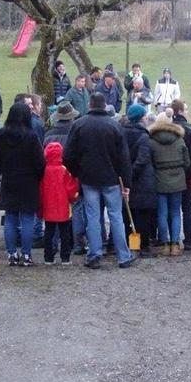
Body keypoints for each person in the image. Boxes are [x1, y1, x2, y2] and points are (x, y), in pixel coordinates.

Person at [63, 92, 136, 269]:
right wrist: (126, 183)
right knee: (115, 216)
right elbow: (124, 158)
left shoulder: (79, 125)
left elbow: (68, 155)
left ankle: (94, 254)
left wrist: (77, 172)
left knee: (93, 217)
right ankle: (123, 256)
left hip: (88, 178)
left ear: (90, 105)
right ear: (105, 106)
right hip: (111, 178)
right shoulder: (114, 126)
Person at [0, 103, 46, 266]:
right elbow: (40, 162)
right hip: (28, 181)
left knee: (10, 217)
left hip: (9, 179)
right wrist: (38, 176)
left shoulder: (0, 135)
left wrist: (2, 173)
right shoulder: (31, 136)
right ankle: (26, 254)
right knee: (28, 218)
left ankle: (11, 253)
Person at [148, 112, 190, 256]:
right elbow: (187, 162)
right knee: (176, 212)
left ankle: (164, 244)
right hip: (177, 180)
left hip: (159, 179)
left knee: (162, 213)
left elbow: (150, 163)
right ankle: (175, 244)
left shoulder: (152, 141)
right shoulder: (179, 139)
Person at [123, 104, 157, 257]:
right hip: (142, 180)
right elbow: (143, 159)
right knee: (143, 215)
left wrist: (126, 175)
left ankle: (129, 244)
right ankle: (142, 246)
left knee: (127, 213)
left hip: (125, 178)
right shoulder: (144, 136)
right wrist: (132, 173)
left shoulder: (121, 133)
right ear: (141, 118)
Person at [39, 142, 79, 265]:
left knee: (49, 232)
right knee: (64, 232)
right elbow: (71, 188)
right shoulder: (64, 169)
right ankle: (65, 257)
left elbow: (40, 189)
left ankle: (48, 257)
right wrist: (73, 198)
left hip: (48, 205)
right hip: (63, 206)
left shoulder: (44, 170)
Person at [171, 99, 191, 250]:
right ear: (180, 111)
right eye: (186, 109)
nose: (188, 112)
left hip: (170, 172)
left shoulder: (166, 128)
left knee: (172, 207)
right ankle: (188, 239)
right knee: (187, 206)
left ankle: (171, 239)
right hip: (189, 173)